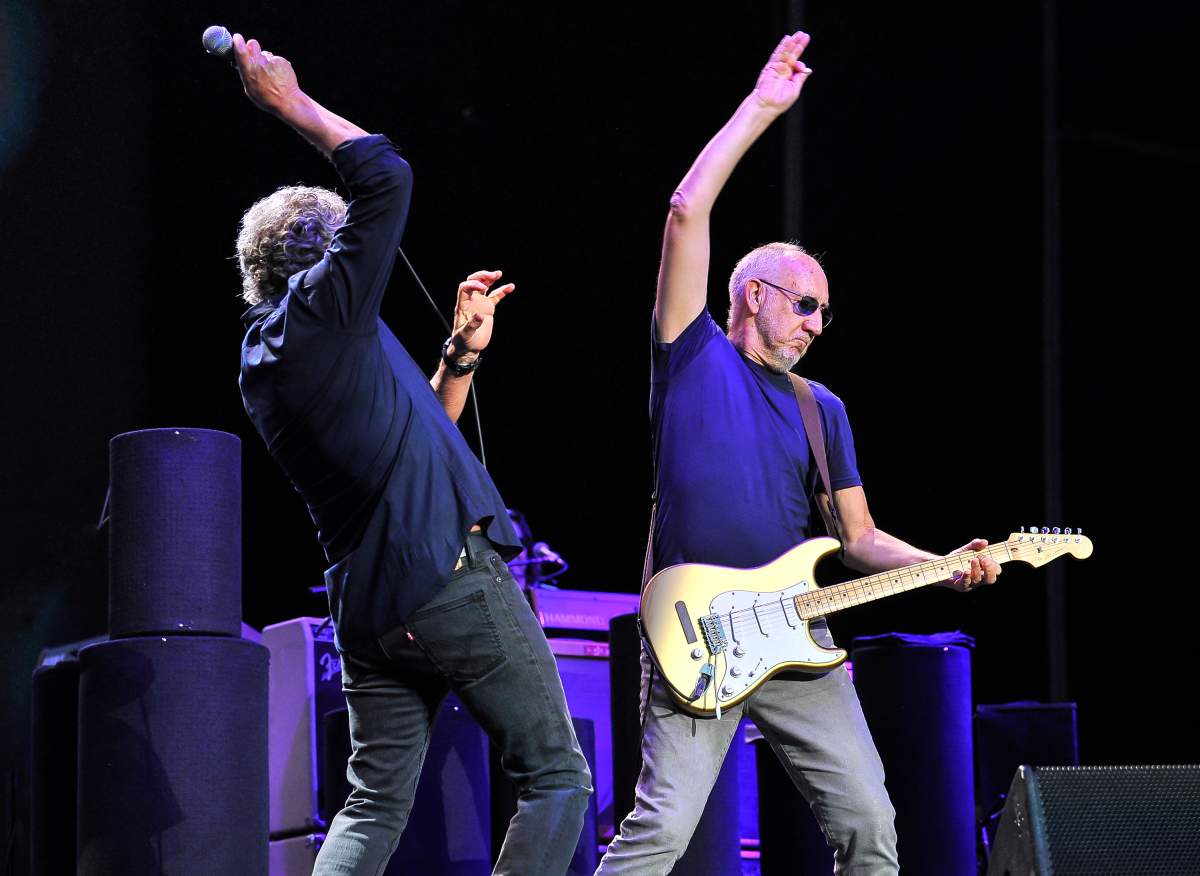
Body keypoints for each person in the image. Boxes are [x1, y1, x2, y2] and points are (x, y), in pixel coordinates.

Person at [595, 31, 1000, 875]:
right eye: (806, 305)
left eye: (824, 314)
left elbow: (857, 541)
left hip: (793, 643)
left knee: (871, 829)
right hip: (695, 635)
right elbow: (685, 210)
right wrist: (762, 108)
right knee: (660, 833)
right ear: (754, 294)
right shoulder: (691, 355)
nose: (817, 325)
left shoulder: (825, 408)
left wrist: (945, 564)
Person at [228, 33, 591, 876]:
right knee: (557, 776)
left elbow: (414, 432)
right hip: (448, 575)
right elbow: (386, 173)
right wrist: (291, 103)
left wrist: (458, 356)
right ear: (326, 250)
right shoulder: (326, 311)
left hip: (370, 607)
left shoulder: (267, 359)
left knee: (373, 803)